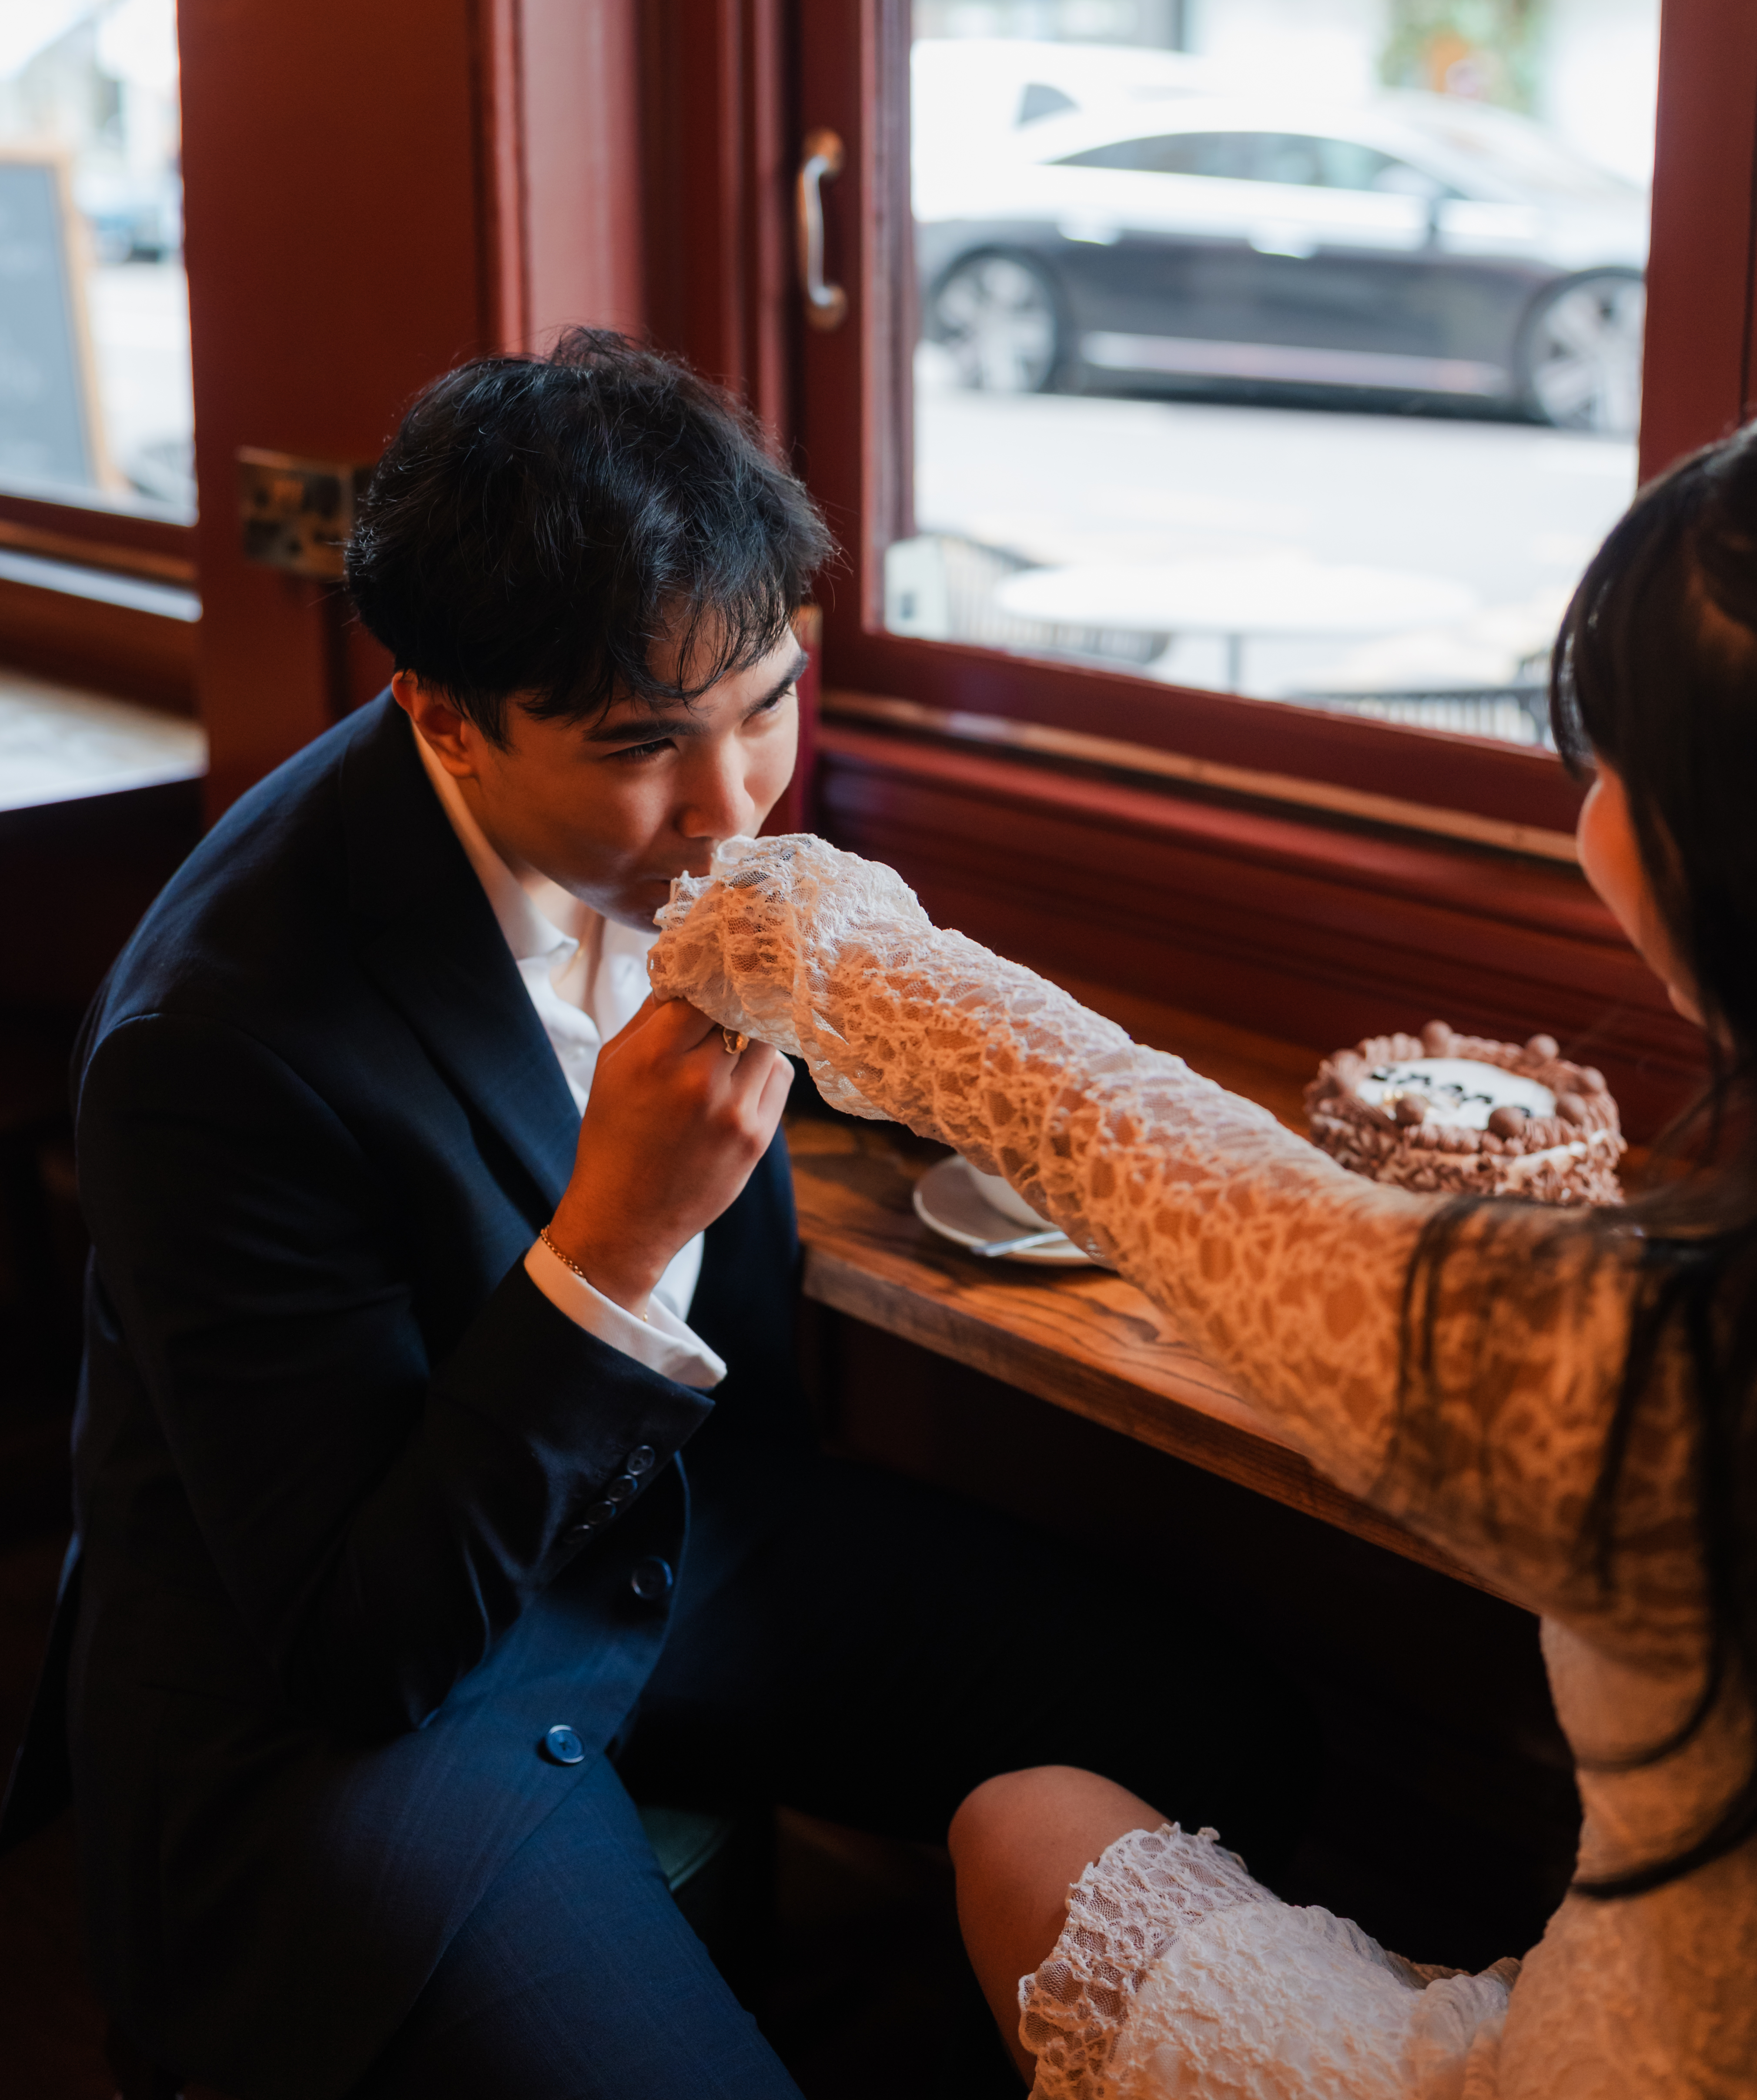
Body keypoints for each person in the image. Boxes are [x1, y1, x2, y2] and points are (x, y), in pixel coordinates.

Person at [0, 331, 1307, 2100]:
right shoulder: (214, 1047)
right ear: (445, 719)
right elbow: (359, 1639)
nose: (730, 802)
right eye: (642, 748)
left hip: (653, 1534)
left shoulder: (690, 786)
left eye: (767, 699)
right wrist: (612, 1244)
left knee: (1208, 1733)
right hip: (344, 1700)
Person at [647, 425, 1757, 2097]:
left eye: (1613, 772)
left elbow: (1172, 1167)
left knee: (1027, 1826)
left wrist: (807, 936)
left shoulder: (1662, 1368)